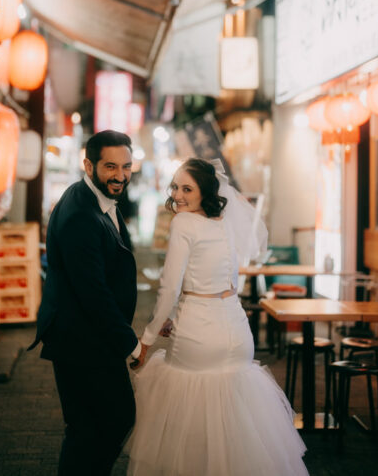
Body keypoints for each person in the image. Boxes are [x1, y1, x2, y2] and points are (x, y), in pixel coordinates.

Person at [125, 158, 309, 476]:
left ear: (204, 191)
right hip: (237, 331)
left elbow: (169, 289)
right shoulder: (224, 221)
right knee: (236, 424)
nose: (178, 195)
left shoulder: (183, 223)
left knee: (190, 423)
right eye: (175, 187)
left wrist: (147, 339)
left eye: (187, 188)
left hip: (197, 333)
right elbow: (228, 281)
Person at [29, 130, 141, 476]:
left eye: (126, 166)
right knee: (110, 419)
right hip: (82, 339)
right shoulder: (80, 213)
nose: (120, 175)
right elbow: (92, 291)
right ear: (88, 164)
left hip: (89, 336)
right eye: (110, 166)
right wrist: (131, 345)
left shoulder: (97, 200)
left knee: (90, 427)